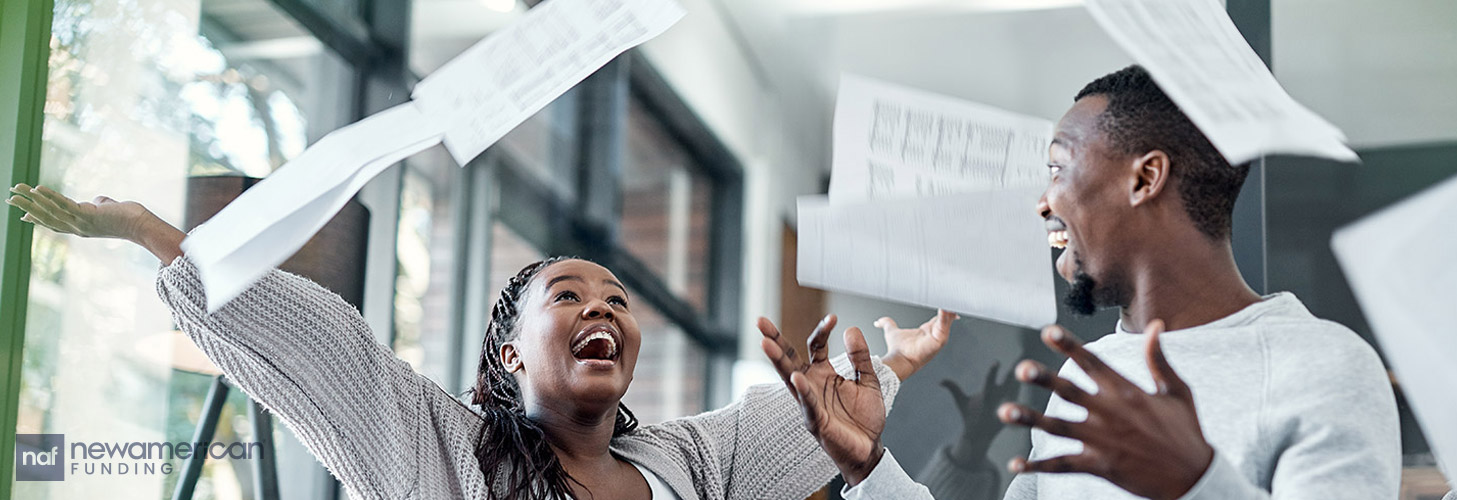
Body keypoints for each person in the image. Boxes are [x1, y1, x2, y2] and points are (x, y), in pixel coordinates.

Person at [5, 183, 955, 500]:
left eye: (617, 298)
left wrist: (897, 362)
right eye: (569, 294)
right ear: (509, 353)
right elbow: (318, 347)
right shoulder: (441, 455)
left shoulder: (692, 462)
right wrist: (149, 232)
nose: (603, 308)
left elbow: (811, 422)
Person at [761, 65, 1401, 500]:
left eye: (1058, 166)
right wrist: (869, 468)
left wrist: (1196, 481)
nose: (1043, 201)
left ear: (1144, 178)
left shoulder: (1323, 366)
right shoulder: (1081, 378)